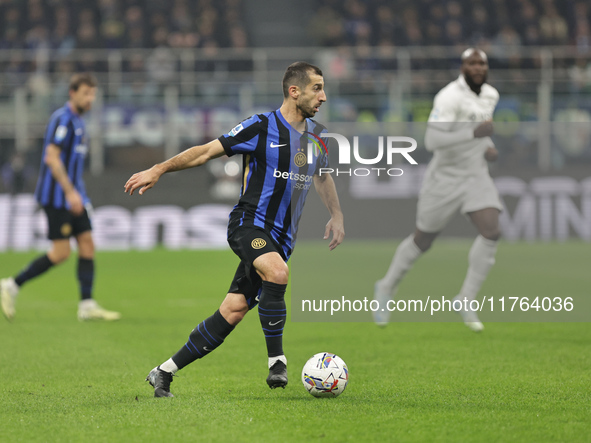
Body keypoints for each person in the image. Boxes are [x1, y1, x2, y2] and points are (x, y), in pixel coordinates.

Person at [125, 61, 345, 397]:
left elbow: (323, 176)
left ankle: (164, 372)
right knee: (277, 272)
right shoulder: (260, 127)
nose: (324, 96)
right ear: (294, 91)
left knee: (233, 310)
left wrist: (337, 214)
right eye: (317, 88)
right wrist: (160, 168)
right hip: (248, 225)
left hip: (282, 240)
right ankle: (277, 361)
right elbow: (206, 152)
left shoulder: (319, 136)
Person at [373, 48, 501, 332]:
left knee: (491, 229)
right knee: (423, 240)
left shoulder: (491, 95)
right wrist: (474, 134)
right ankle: (385, 287)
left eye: (482, 63)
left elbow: (478, 135)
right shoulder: (448, 97)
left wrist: (487, 147)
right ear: (463, 67)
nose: (478, 68)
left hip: (476, 174)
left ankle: (466, 298)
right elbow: (431, 140)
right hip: (444, 178)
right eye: (472, 63)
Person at [1, 73, 121, 322]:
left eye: (93, 95)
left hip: (76, 196)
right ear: (73, 93)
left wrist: (79, 194)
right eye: (86, 94)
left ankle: (87, 305)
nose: (90, 99)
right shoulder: (63, 120)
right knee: (60, 252)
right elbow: (51, 157)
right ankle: (11, 285)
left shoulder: (79, 122)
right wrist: (69, 192)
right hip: (58, 198)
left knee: (87, 244)